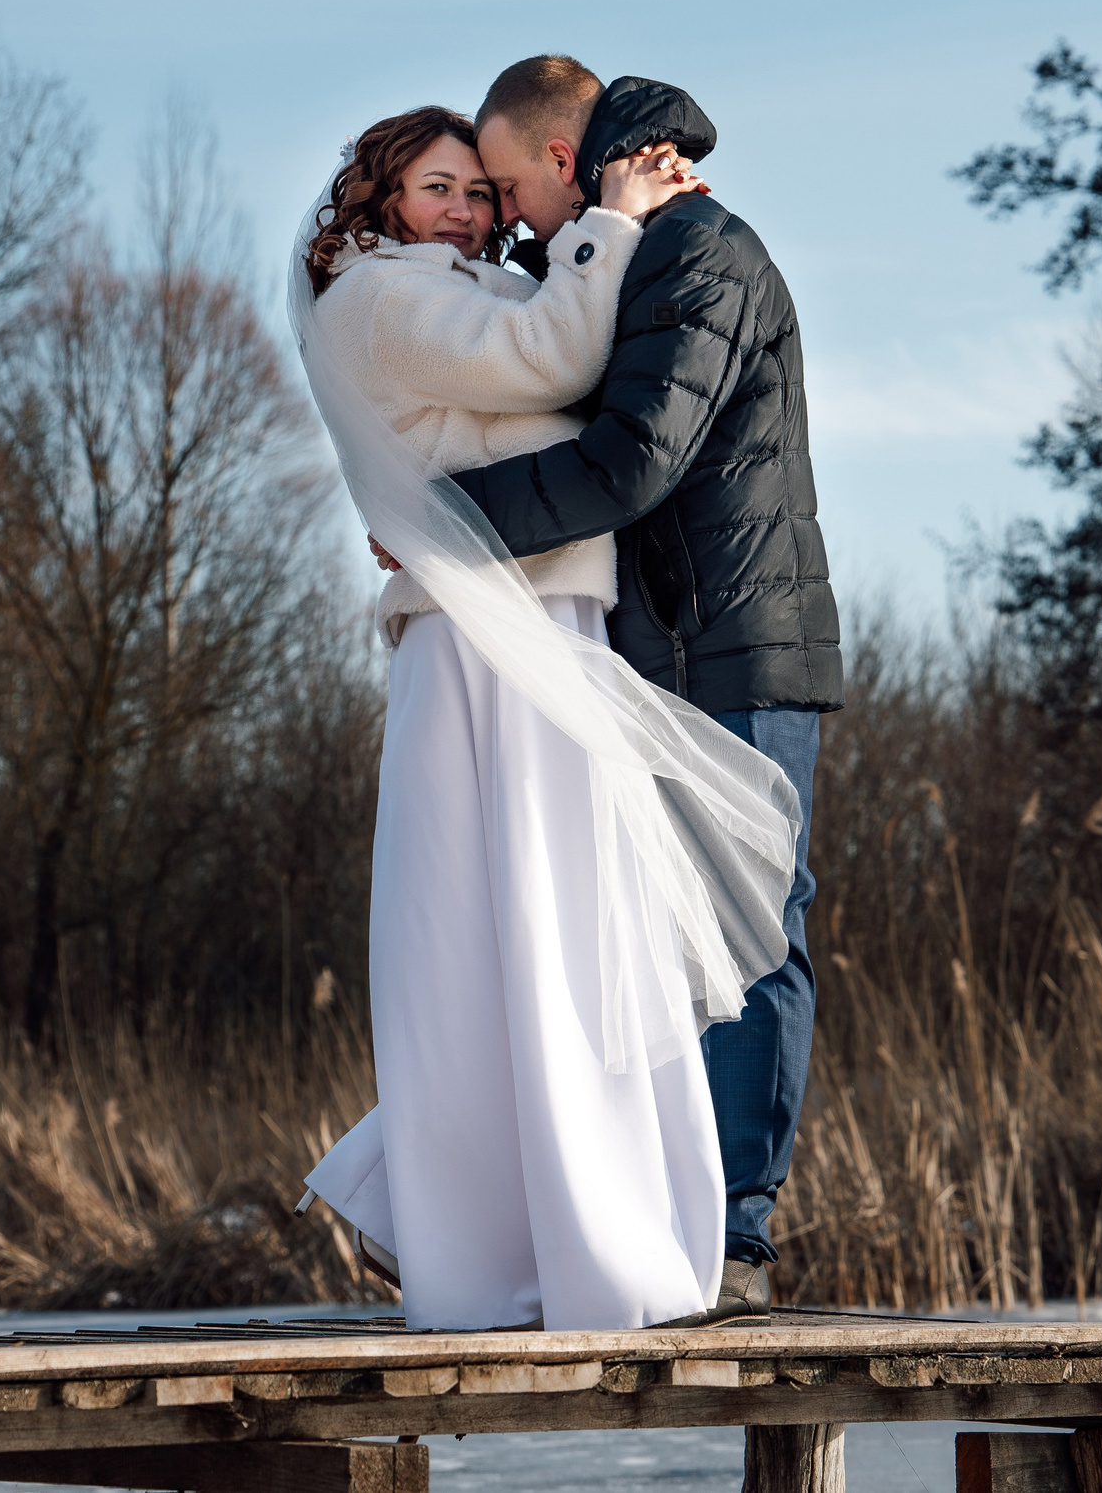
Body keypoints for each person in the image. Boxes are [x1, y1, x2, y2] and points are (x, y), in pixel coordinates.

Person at [289, 106, 800, 1332]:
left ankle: (534, 1216)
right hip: (488, 646)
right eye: (439, 188)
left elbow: (532, 366)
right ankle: (535, 1236)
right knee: (535, 927)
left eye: (479, 189)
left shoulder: (453, 287)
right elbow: (552, 367)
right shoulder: (386, 296)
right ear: (377, 200)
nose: (470, 212)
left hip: (534, 627)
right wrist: (614, 225)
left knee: (563, 929)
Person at [438, 56, 841, 1315]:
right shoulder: (616, 252)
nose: (505, 219)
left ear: (562, 162)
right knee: (648, 937)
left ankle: (735, 1238)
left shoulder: (700, 254)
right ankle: (653, 1217)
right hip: (654, 652)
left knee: (750, 929)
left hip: (735, 647)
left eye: (507, 188)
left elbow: (630, 461)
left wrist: (446, 513)